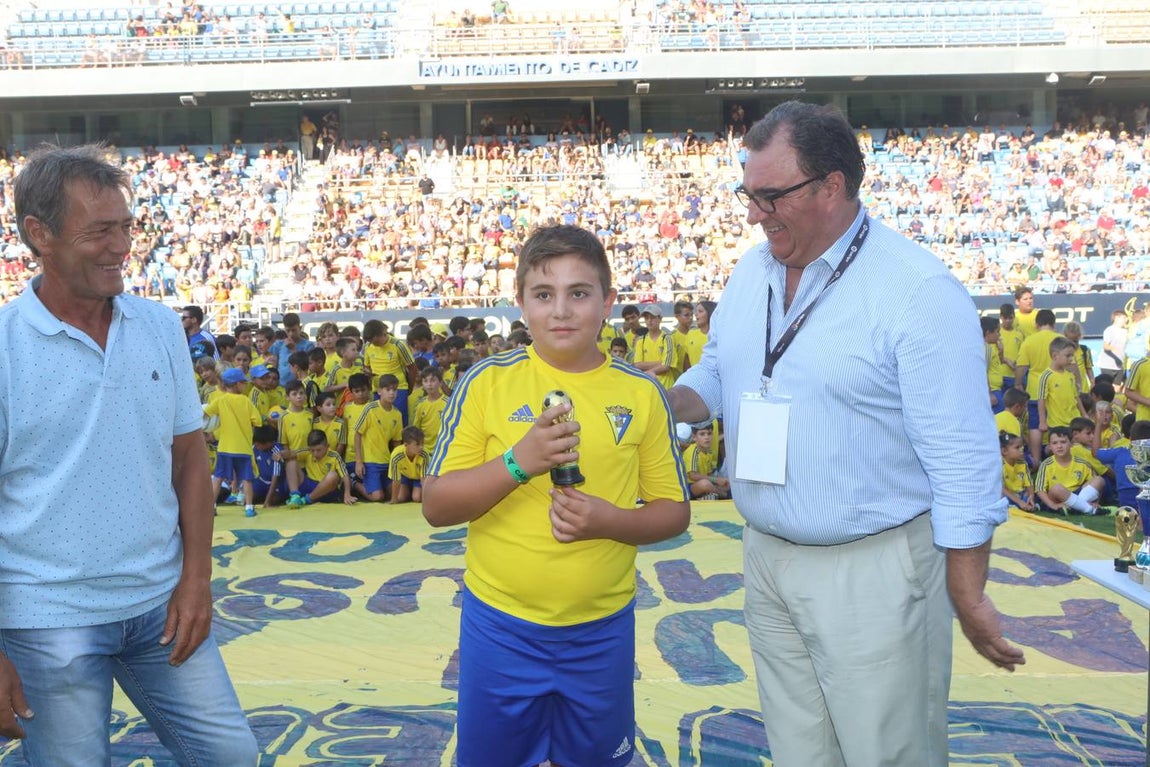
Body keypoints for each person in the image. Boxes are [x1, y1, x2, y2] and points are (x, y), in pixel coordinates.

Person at [666, 102, 1023, 767]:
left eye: (770, 196)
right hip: (767, 556)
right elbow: (720, 368)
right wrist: (664, 403)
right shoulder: (752, 271)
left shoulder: (917, 292)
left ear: (831, 186)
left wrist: (967, 591)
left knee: (889, 752)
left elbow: (963, 459)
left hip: (876, 570)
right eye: (749, 194)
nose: (754, 213)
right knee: (800, 750)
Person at [0, 144, 257, 762]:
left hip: (160, 605)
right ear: (40, 235)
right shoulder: (5, 350)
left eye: (126, 227)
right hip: (45, 619)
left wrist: (196, 579)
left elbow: (191, 463)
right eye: (99, 232)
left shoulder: (161, 326)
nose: (121, 247)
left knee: (232, 756)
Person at [422, 224, 690, 767]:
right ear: (520, 304)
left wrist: (609, 521)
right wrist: (521, 461)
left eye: (579, 293)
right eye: (544, 294)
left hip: (601, 631)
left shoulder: (641, 395)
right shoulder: (486, 383)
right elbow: (436, 505)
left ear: (608, 301)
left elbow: (674, 512)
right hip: (501, 627)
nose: (561, 310)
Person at [205, 367, 264, 517]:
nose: (245, 385)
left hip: (225, 447)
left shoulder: (220, 400)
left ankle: (211, 506)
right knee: (247, 478)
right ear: (237, 384)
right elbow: (257, 421)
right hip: (243, 448)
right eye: (244, 382)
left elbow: (206, 413)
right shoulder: (246, 401)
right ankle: (249, 507)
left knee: (218, 477)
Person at [353, 374, 404, 502]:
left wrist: (396, 465)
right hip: (370, 461)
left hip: (387, 462)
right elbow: (357, 434)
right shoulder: (370, 408)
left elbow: (397, 443)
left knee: (397, 494)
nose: (392, 393)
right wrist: (359, 461)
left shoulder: (397, 414)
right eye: (388, 390)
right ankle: (354, 483)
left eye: (394, 390)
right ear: (379, 391)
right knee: (378, 497)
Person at [1035, 427, 1105, 515]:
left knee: (1099, 480)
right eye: (1055, 443)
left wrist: (1096, 502)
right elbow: (1040, 490)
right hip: (1057, 499)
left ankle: (1078, 507)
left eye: (1063, 442)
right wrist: (1052, 505)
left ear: (1071, 444)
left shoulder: (1083, 463)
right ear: (1050, 447)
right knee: (1057, 488)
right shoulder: (1046, 464)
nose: (1059, 446)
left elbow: (1094, 487)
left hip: (1077, 494)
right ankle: (1089, 510)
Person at [269, 312, 314, 384]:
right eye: (288, 330)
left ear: (300, 328)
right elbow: (275, 366)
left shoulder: (308, 346)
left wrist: (293, 349)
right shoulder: (279, 345)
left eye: (294, 330)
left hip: (300, 386)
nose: (291, 334)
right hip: (281, 387)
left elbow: (307, 367)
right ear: (284, 329)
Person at [389, 425, 429, 504]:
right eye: (417, 444)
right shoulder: (396, 455)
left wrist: (427, 499)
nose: (421, 447)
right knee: (400, 498)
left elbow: (423, 479)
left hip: (418, 478)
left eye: (422, 443)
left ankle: (415, 489)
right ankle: (408, 489)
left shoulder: (424, 454)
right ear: (406, 445)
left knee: (417, 498)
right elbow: (396, 479)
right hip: (405, 477)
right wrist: (394, 500)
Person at [1000, 432, 1035, 512]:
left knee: (1028, 495)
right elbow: (1001, 488)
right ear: (1005, 451)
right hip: (1007, 495)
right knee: (1000, 496)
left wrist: (1031, 496)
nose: (1021, 449)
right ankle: (1016, 506)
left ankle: (1028, 504)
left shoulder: (1023, 464)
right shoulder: (1000, 464)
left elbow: (1029, 484)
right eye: (1017, 447)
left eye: (1022, 447)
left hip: (1020, 494)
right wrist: (1019, 502)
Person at [1100, 308, 1128, 383]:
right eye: (1124, 317)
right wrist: (1115, 349)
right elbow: (1105, 346)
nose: (1126, 320)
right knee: (1107, 387)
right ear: (1116, 318)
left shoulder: (1125, 331)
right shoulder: (1109, 330)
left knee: (1117, 387)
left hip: (1120, 366)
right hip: (1108, 365)